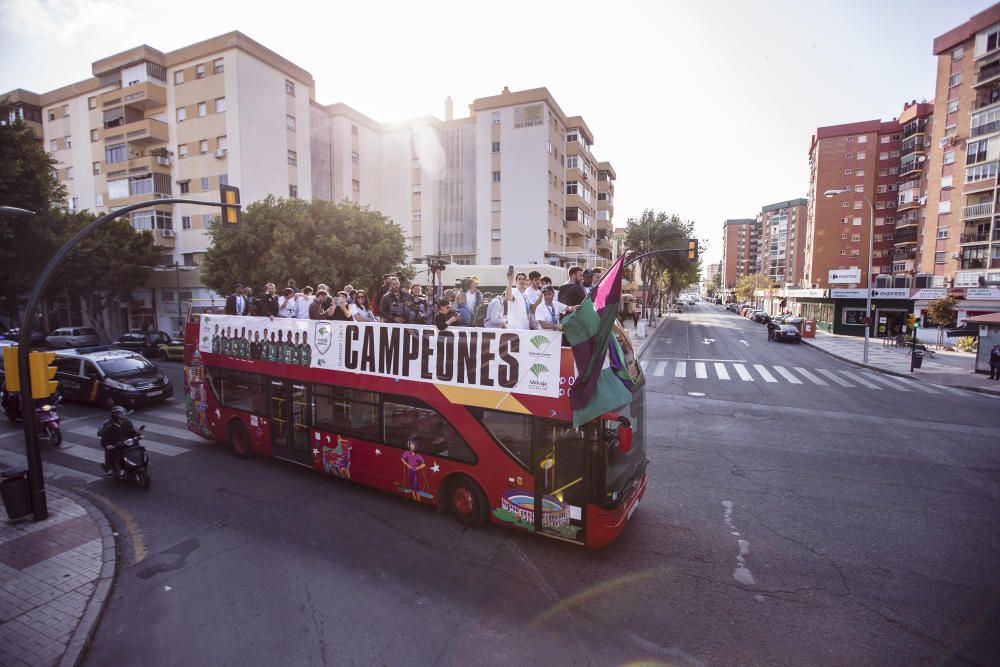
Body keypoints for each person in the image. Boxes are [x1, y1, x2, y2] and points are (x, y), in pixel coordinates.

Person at [99, 406, 138, 479]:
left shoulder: (128, 423)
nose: (124, 419)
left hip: (127, 442)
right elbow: (104, 440)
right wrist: (108, 445)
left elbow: (133, 432)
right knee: (112, 452)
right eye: (121, 418)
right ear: (115, 419)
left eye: (125, 417)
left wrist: (138, 436)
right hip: (117, 445)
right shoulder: (109, 427)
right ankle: (112, 468)